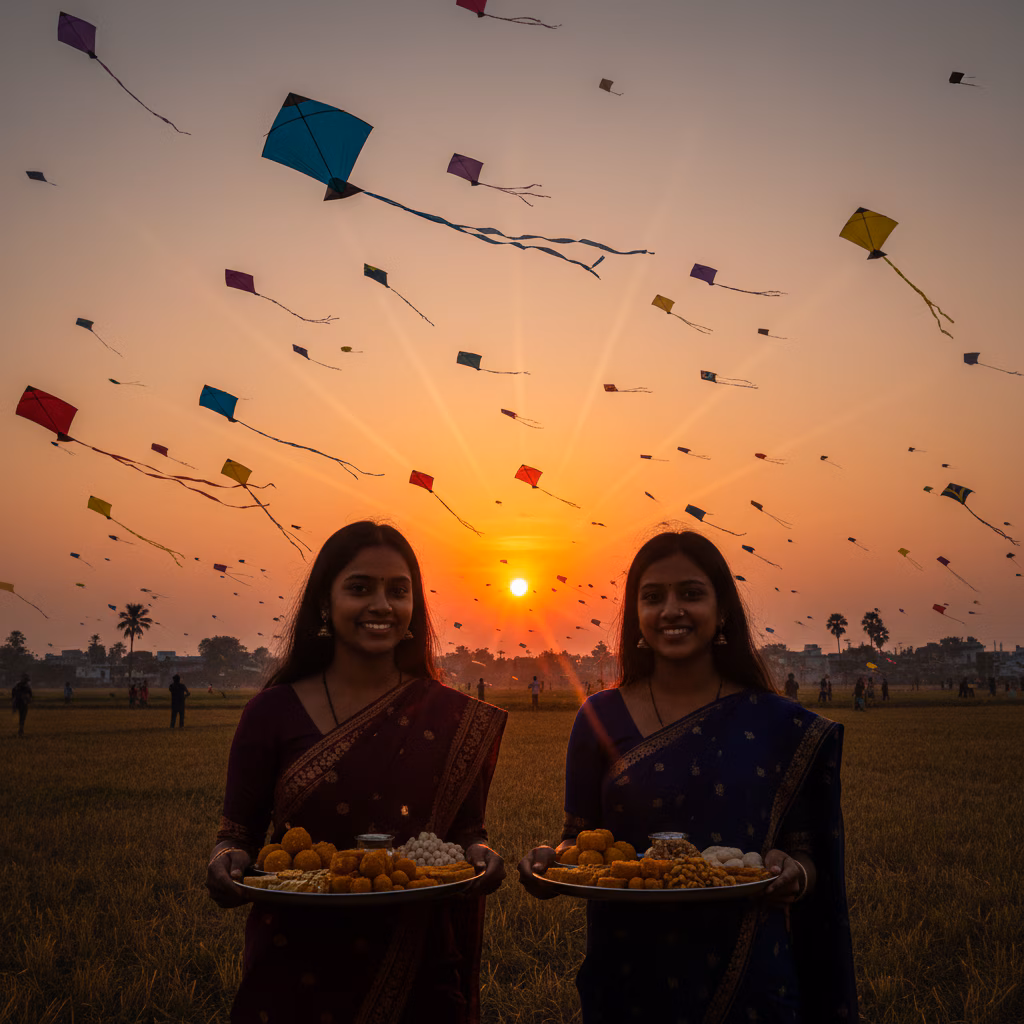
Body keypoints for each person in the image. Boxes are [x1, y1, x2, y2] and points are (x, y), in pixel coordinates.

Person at [518, 530, 857, 1023]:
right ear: (636, 615)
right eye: (653, 597)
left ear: (723, 612)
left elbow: (806, 852)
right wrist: (551, 862)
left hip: (749, 975)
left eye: (691, 594)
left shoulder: (778, 723)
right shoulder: (599, 716)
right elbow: (579, 838)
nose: (671, 610)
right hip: (628, 970)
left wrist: (795, 874)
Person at [205, 521, 508, 1024]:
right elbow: (237, 834)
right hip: (296, 962)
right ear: (325, 603)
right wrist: (224, 861)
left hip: (417, 964)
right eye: (360, 588)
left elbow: (465, 834)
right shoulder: (271, 713)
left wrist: (482, 855)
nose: (382, 605)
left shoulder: (449, 716)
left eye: (398, 591)